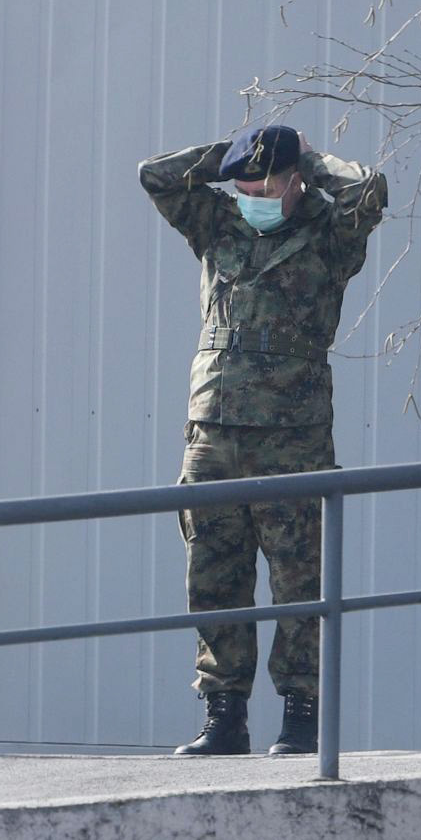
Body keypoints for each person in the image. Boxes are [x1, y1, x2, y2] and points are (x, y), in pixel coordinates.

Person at [138, 123, 387, 756]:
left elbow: (369, 193)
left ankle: (302, 718)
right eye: (240, 184)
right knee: (213, 574)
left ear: (291, 182)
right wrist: (229, 154)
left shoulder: (329, 236)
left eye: (261, 183)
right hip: (214, 431)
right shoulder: (217, 225)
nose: (247, 193)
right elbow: (157, 176)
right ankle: (224, 715)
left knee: (298, 580)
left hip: (292, 436)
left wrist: (307, 156)